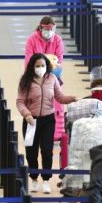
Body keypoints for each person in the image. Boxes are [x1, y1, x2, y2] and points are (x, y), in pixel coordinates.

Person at [16, 53, 76, 193]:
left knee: (47, 150)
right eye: (37, 66)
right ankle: (34, 179)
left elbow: (60, 97)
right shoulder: (26, 81)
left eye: (42, 65)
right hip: (31, 121)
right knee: (31, 152)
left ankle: (47, 180)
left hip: (48, 120)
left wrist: (73, 98)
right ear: (32, 67)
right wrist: (27, 115)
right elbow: (20, 102)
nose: (40, 68)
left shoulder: (52, 78)